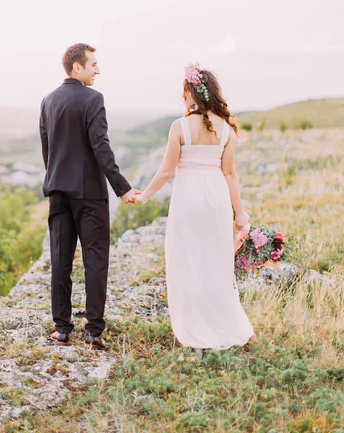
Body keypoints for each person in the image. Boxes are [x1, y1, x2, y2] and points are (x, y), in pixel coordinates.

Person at [137, 63, 254, 357]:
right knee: (215, 263)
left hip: (188, 201)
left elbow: (166, 171)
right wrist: (239, 213)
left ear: (192, 92)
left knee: (187, 262)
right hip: (215, 200)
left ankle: (195, 331)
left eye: (183, 91)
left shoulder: (179, 126)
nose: (182, 97)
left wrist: (144, 196)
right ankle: (220, 325)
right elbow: (229, 173)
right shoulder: (226, 128)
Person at [39, 43, 140, 350]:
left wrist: (57, 175)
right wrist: (122, 187)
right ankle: (94, 331)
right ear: (76, 67)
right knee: (95, 259)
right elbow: (101, 147)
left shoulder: (47, 101)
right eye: (93, 64)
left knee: (60, 258)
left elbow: (48, 149)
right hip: (90, 194)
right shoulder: (93, 99)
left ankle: (61, 329)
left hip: (57, 189)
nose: (98, 70)